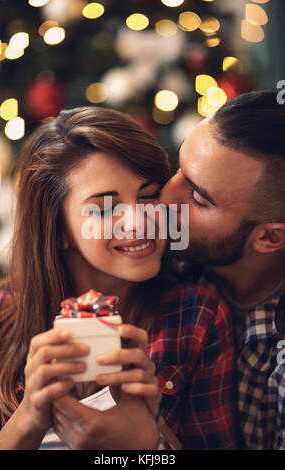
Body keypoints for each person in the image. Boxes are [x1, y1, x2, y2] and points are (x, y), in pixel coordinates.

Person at [0, 106, 236, 450]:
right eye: (104, 208)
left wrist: (150, 436)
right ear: (58, 229)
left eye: (148, 197)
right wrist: (28, 416)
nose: (140, 221)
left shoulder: (196, 316)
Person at [159, 90, 285, 450]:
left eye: (198, 198)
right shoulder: (156, 267)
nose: (165, 197)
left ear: (270, 237)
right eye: (178, 167)